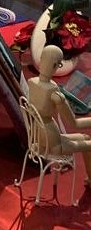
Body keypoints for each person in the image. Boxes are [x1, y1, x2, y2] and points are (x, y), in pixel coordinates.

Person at [27, 43, 91, 183]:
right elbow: (73, 123)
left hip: (37, 137)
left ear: (41, 59)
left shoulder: (31, 82)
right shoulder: (53, 91)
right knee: (89, 145)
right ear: (57, 66)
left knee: (85, 137)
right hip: (53, 144)